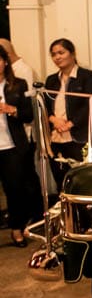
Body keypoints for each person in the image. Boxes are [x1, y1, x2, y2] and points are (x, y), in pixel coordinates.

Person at [43, 38, 92, 189]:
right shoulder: (51, 80)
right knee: (61, 181)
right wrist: (53, 119)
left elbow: (91, 104)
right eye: (54, 54)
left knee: (82, 182)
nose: (57, 57)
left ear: (72, 53)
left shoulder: (86, 76)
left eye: (61, 53)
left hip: (78, 138)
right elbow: (45, 105)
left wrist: (70, 123)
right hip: (56, 138)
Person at [0, 44, 42, 246]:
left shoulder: (18, 84)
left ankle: (17, 229)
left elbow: (28, 114)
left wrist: (12, 110)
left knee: (14, 189)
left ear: (5, 62)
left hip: (11, 146)